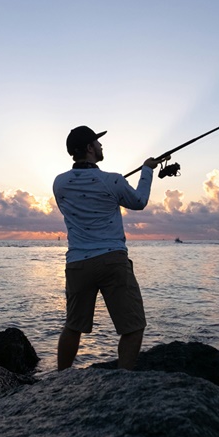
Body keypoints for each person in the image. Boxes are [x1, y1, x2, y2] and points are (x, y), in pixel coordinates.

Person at [53, 125, 161, 370]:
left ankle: (60, 379)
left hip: (78, 263)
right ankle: (123, 382)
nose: (102, 146)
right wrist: (147, 170)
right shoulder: (112, 180)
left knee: (73, 325)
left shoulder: (59, 183)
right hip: (112, 260)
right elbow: (139, 201)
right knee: (133, 327)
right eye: (98, 143)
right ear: (90, 148)